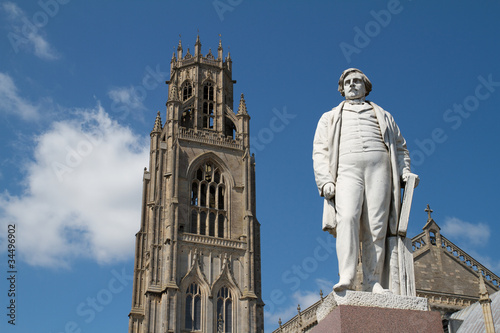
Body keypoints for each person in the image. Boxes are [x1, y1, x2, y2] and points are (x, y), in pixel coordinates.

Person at [312, 68, 417, 293]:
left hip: (379, 167)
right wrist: (325, 180)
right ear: (341, 89)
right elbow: (319, 151)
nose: (352, 84)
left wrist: (404, 171)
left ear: (366, 87)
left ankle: (373, 280)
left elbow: (400, 147)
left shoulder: (384, 115)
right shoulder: (329, 117)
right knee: (347, 218)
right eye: (347, 82)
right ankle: (347, 275)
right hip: (346, 168)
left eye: (357, 81)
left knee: (376, 224)